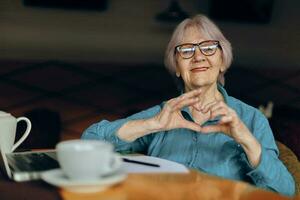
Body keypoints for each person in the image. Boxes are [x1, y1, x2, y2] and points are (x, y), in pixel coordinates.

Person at [81, 14, 295, 196]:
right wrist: (151, 124)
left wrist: (246, 140)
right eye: (186, 50)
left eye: (209, 48)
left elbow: (284, 192)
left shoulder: (251, 119)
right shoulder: (163, 114)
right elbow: (89, 142)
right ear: (176, 66)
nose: (198, 56)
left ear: (222, 62)